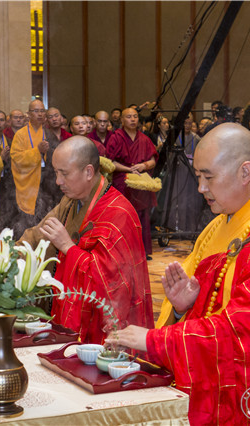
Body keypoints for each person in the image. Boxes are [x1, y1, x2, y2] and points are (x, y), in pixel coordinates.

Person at [106, 123, 250, 424]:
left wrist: (155, 341)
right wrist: (185, 307)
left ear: (245, 173)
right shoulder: (222, 223)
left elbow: (245, 330)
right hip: (221, 380)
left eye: (207, 177)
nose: (200, 188)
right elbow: (215, 305)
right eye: (198, 177)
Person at [20, 136, 154, 343]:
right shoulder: (71, 201)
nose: (58, 181)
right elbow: (38, 235)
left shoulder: (118, 213)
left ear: (89, 172)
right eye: (56, 172)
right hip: (72, 313)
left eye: (64, 173)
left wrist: (67, 247)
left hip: (105, 330)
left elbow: (112, 285)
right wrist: (0, 256)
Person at [106, 107, 158, 259]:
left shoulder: (144, 139)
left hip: (141, 181)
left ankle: (141, 250)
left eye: (135, 116)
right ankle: (122, 250)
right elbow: (110, 162)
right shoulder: (116, 137)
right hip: (122, 181)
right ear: (122, 120)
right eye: (129, 117)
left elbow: (153, 160)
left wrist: (144, 166)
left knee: (142, 216)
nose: (133, 119)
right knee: (123, 216)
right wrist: (128, 169)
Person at [11, 99, 63, 237]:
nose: (40, 114)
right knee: (27, 221)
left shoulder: (49, 133)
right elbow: (16, 158)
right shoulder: (20, 135)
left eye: (42, 111)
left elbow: (57, 155)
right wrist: (37, 151)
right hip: (29, 182)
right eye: (36, 111)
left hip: (47, 181)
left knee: (47, 215)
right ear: (28, 114)